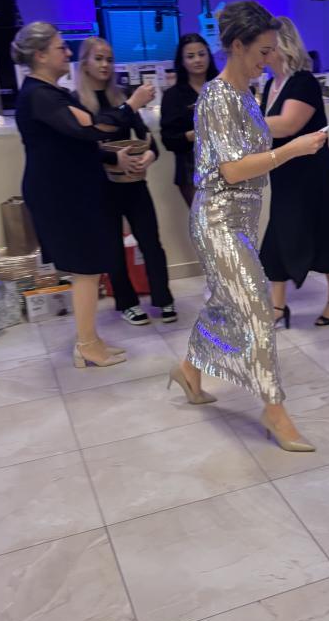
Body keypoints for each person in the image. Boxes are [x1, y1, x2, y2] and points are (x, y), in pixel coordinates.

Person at [170, 0, 327, 453]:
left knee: (226, 303)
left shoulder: (245, 95)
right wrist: (292, 150)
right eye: (263, 51)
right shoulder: (217, 98)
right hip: (218, 220)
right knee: (259, 307)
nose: (270, 58)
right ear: (237, 47)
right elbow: (233, 169)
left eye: (272, 49)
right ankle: (274, 409)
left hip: (241, 219)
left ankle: (189, 370)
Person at [11, 21, 125, 369]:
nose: (67, 52)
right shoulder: (39, 95)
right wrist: (129, 107)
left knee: (88, 267)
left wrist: (110, 154)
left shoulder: (53, 93)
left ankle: (90, 338)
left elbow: (79, 139)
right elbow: (87, 130)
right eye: (60, 47)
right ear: (40, 55)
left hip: (73, 190)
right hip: (60, 195)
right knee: (85, 268)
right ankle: (87, 344)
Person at [75, 36, 177, 327]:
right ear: (85, 63)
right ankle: (127, 302)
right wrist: (112, 159)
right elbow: (87, 144)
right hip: (100, 185)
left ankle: (163, 297)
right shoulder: (76, 102)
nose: (105, 64)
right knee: (112, 246)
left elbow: (148, 140)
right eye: (98, 58)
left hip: (133, 181)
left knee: (151, 241)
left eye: (109, 59)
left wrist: (149, 156)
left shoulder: (120, 97)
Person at [260, 16, 329, 327]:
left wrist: (241, 121)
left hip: (312, 173)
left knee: (324, 231)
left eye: (266, 46)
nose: (262, 53)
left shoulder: (303, 82)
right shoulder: (271, 85)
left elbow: (288, 125)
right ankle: (277, 306)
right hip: (284, 170)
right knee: (278, 232)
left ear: (281, 45)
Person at [160, 33, 218, 207]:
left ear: (209, 56)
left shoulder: (221, 88)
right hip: (191, 170)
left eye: (201, 54)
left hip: (226, 166)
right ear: (182, 61)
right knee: (206, 222)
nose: (197, 60)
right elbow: (168, 139)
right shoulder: (173, 96)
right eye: (190, 56)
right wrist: (194, 135)